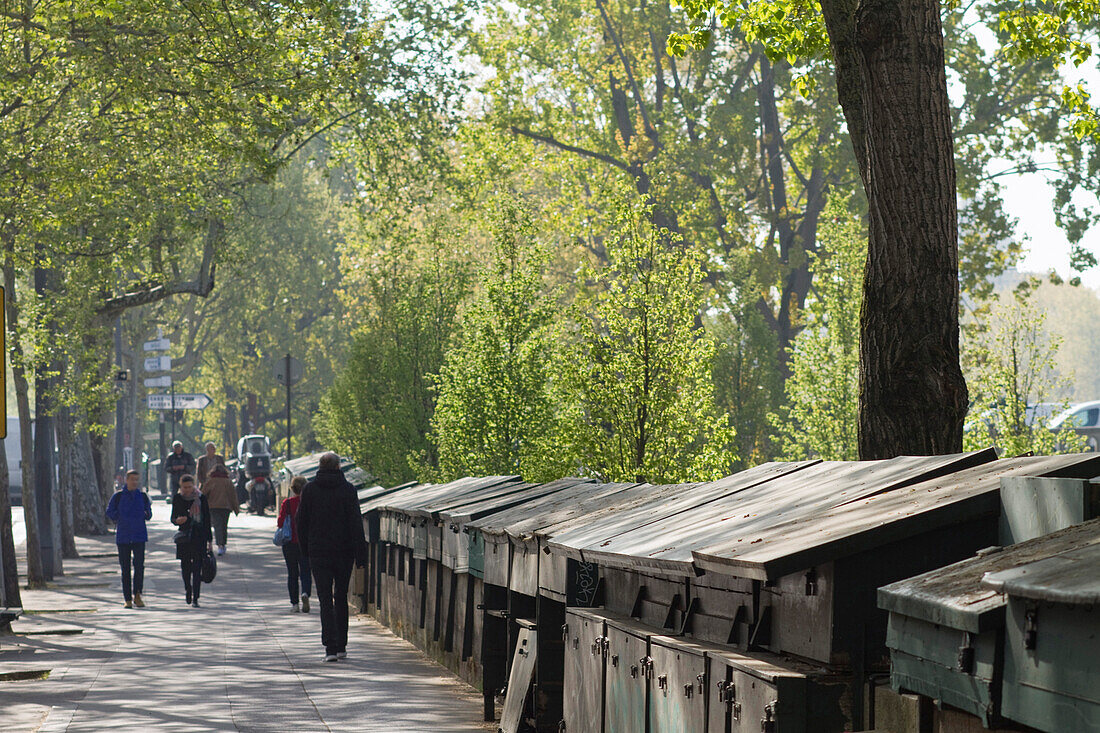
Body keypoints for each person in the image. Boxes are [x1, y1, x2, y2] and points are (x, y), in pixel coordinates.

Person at [297, 452, 366, 662]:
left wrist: (305, 550)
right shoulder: (348, 490)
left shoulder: (309, 490)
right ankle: (342, 644)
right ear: (338, 467)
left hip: (319, 552)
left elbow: (301, 522)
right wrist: (361, 554)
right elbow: (356, 522)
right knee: (341, 596)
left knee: (325, 599)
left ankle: (330, 647)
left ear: (320, 466)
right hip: (344, 553)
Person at [105, 470, 153, 609]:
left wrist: (146, 514)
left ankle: (137, 594)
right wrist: (118, 517)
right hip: (123, 537)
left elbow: (149, 513)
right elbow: (109, 511)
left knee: (139, 566)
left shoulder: (142, 496)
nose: (134, 482)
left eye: (137, 479)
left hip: (139, 536)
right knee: (125, 568)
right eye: (132, 479)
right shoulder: (119, 496)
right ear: (126, 480)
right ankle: (127, 599)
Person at [171, 475, 213, 608]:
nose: (187, 490)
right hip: (184, 537)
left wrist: (210, 540)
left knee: (197, 568)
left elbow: (207, 520)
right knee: (185, 567)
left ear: (193, 486)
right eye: (185, 487)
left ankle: (196, 597)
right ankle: (188, 589)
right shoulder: (177, 498)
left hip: (199, 537)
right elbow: (173, 517)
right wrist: (177, 520)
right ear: (180, 487)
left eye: (190, 487)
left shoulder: (201, 498)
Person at [277, 476, 312, 613]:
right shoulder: (309, 503)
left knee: (292, 573)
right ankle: (305, 593)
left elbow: (280, 523)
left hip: (289, 542)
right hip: (305, 542)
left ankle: (294, 604)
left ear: (292, 488)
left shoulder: (287, 503)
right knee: (306, 571)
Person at [203, 465, 239, 556]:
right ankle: (222, 544)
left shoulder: (210, 481)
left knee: (217, 526)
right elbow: (233, 496)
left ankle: (220, 545)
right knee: (224, 526)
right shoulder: (228, 482)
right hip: (226, 507)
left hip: (213, 507)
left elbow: (203, 494)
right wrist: (236, 508)